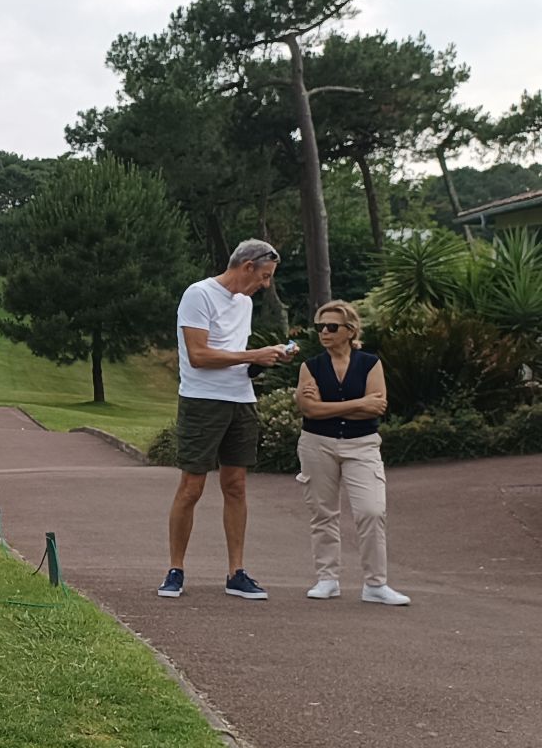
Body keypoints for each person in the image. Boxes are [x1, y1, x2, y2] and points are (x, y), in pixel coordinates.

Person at [160, 239, 292, 601]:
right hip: (202, 400)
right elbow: (199, 355)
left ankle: (236, 572)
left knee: (236, 486)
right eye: (264, 276)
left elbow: (234, 355)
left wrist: (261, 362)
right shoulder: (199, 294)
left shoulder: (244, 303)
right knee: (192, 487)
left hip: (241, 400)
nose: (266, 284)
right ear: (247, 266)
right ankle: (175, 570)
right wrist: (253, 354)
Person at [295, 301, 409, 605]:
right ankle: (327, 579)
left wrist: (327, 407)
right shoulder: (310, 366)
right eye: (320, 327)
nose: (324, 332)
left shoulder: (370, 363)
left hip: (362, 445)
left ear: (350, 330)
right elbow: (309, 410)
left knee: (372, 511)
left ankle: (375, 584)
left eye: (332, 327)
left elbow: (377, 407)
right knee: (323, 513)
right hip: (317, 443)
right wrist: (359, 404)